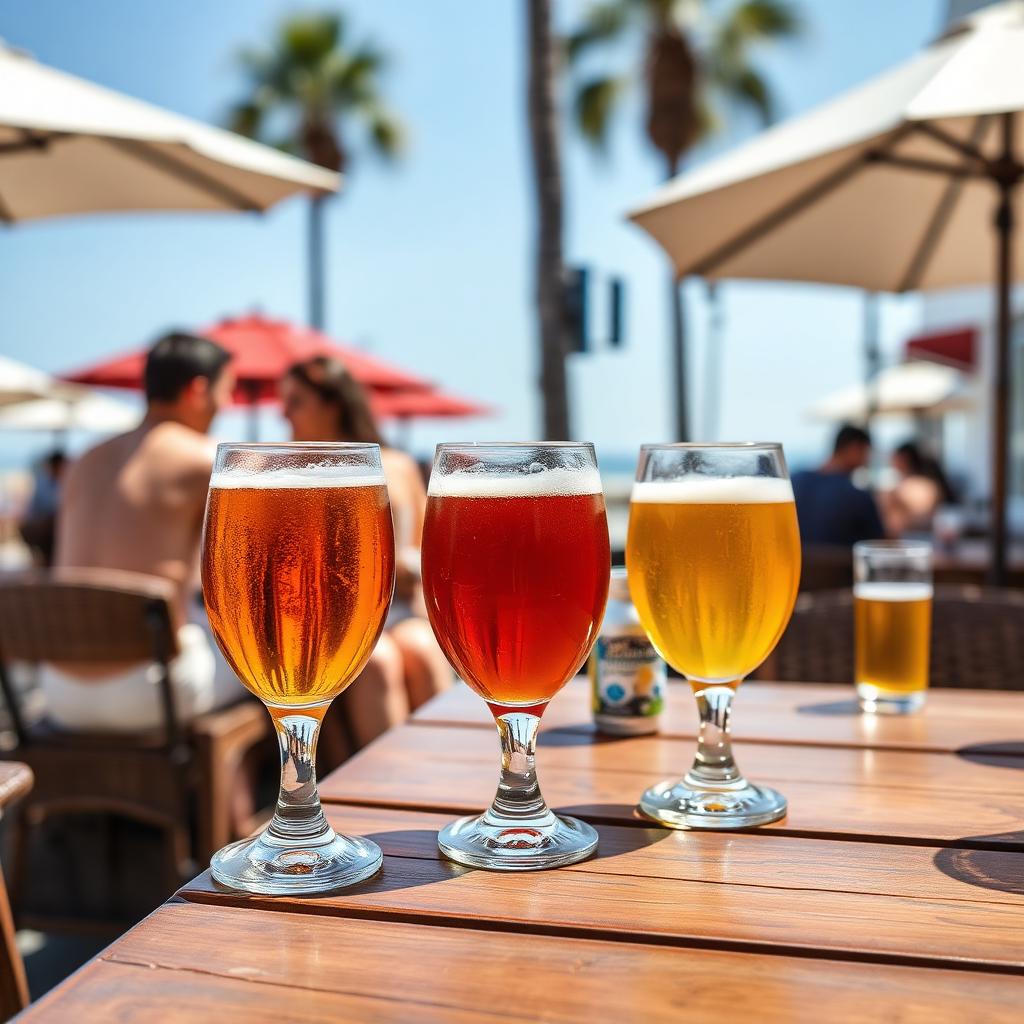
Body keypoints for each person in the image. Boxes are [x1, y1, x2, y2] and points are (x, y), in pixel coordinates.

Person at [43, 332, 245, 732]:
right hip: (152, 688)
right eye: (227, 392)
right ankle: (253, 788)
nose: (226, 406)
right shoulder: (207, 459)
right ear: (198, 390)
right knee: (270, 663)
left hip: (59, 689)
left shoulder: (85, 460)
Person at [280, 356, 453, 754]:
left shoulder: (397, 465)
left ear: (333, 403)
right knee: (378, 663)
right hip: (331, 617)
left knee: (423, 651)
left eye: (296, 400)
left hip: (399, 606)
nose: (284, 412)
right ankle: (391, 781)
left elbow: (428, 547)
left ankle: (440, 770)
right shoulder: (290, 471)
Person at [791, 424, 886, 548]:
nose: (867, 459)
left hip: (800, 565)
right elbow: (879, 544)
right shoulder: (858, 496)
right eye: (866, 452)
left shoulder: (795, 480)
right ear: (855, 448)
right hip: (845, 567)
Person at [882, 441, 957, 537]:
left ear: (903, 458)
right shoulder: (907, 484)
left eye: (894, 457)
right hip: (910, 536)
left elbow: (922, 517)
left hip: (915, 536)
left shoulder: (920, 486)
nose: (891, 461)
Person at [19, 450, 67, 565]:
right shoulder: (43, 483)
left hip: (60, 526)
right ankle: (43, 562)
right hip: (47, 526)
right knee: (27, 529)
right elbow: (33, 510)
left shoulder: (68, 482)